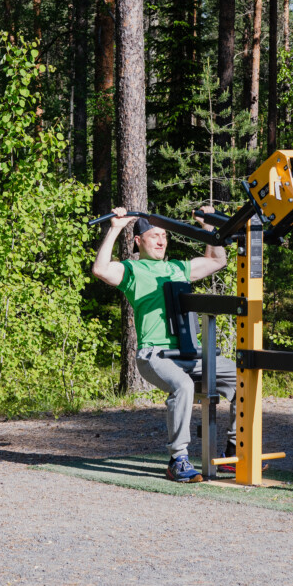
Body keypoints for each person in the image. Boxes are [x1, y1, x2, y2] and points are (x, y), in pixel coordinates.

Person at [91, 207, 238, 483]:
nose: (161, 241)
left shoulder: (178, 268)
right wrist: (115, 228)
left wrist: (207, 228)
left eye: (164, 236)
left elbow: (217, 261)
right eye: (154, 235)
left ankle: (233, 452)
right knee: (182, 385)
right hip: (154, 355)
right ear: (138, 241)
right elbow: (100, 269)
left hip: (189, 354)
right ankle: (178, 460)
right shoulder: (132, 270)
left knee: (244, 375)